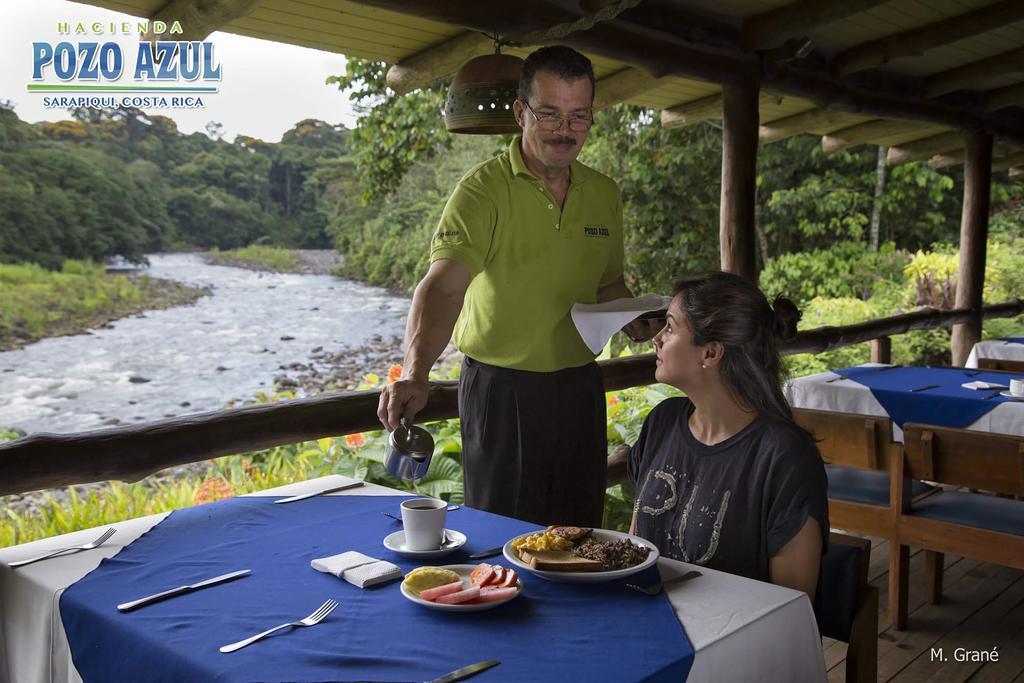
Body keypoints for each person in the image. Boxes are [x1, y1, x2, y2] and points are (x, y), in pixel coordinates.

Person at [377, 45, 658, 527]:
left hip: (578, 388)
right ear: (520, 112)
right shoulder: (482, 190)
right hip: (500, 390)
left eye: (578, 116)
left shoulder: (604, 193)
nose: (564, 130)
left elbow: (609, 283)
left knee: (579, 527)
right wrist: (416, 373)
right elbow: (443, 288)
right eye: (549, 113)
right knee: (503, 529)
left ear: (591, 118)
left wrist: (636, 316)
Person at [626, 271, 828, 598]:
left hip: (734, 641)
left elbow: (791, 604)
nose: (657, 338)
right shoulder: (661, 423)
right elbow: (634, 551)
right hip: (647, 628)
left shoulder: (784, 457)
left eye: (671, 327)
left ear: (711, 353)